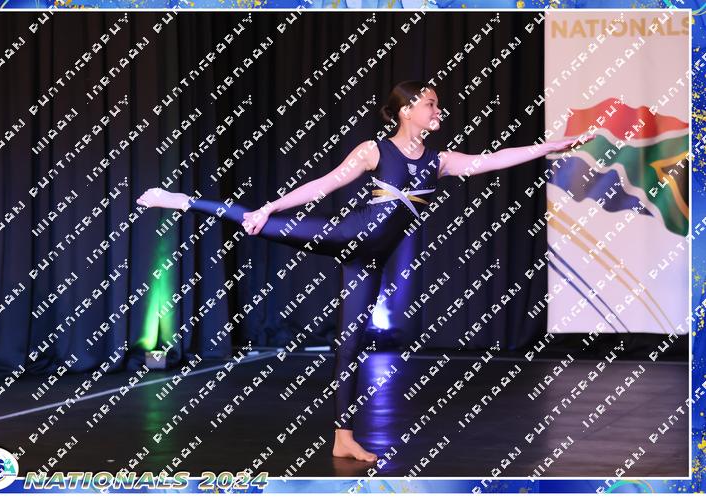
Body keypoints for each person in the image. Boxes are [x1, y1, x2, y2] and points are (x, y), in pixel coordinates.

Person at [136, 80, 593, 462]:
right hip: (344, 233)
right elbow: (325, 184)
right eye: (431, 103)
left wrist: (551, 147)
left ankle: (343, 437)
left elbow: (493, 159)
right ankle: (181, 201)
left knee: (351, 343)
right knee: (261, 224)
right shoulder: (374, 150)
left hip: (369, 259)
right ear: (408, 109)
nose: (439, 110)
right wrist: (272, 205)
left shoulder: (438, 162)